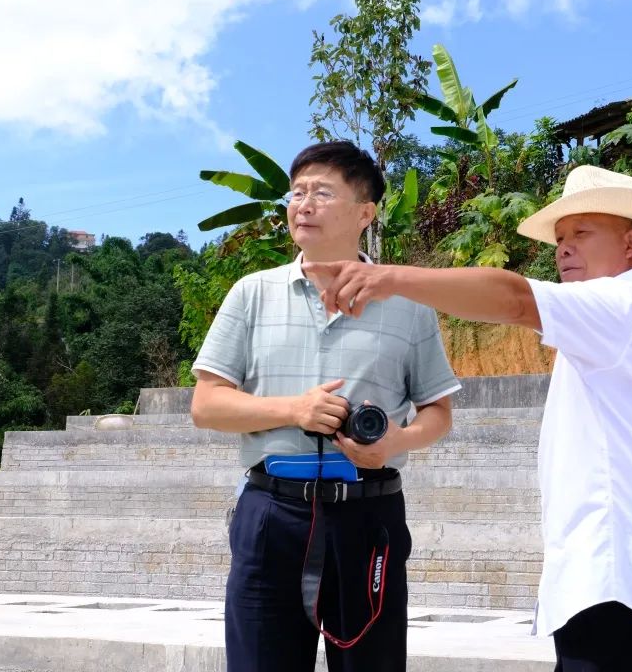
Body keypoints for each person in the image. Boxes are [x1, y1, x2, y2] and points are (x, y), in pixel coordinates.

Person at [304, 165, 632, 672]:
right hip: (623, 577)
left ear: (630, 244)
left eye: (581, 233)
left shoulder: (622, 304)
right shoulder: (625, 312)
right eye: (560, 237)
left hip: (622, 578)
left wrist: (388, 278)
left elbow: (515, 299)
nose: (563, 248)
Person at [190, 140, 461, 672]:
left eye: (321, 192)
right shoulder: (252, 294)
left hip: (369, 515)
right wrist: (295, 410)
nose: (302, 204)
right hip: (272, 513)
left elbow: (438, 413)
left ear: (366, 211)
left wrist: (394, 443)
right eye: (296, 193)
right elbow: (207, 405)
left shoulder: (407, 304)